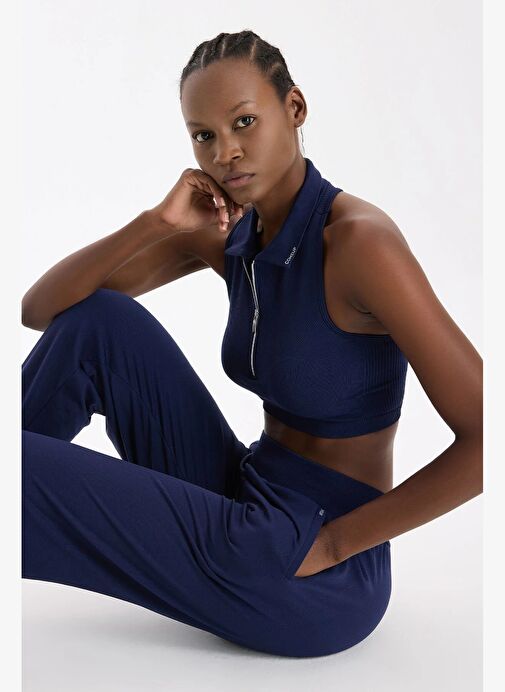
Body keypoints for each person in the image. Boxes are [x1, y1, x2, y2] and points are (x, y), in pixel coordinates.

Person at [21, 30, 483, 659]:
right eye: (203, 136)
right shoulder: (232, 233)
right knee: (99, 323)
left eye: (244, 122)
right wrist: (156, 223)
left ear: (294, 108)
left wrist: (334, 544)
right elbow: (43, 311)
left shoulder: (359, 243)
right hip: (247, 488)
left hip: (313, 565)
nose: (226, 153)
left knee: (19, 470)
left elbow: (490, 436)